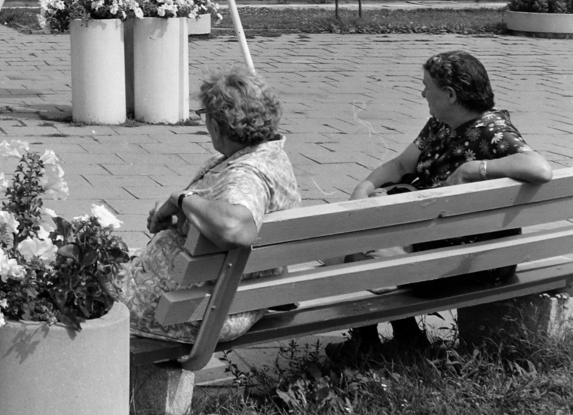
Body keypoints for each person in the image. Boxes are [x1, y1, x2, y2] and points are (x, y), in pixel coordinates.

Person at [337, 50, 552, 354]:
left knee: (345, 258)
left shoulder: (491, 131)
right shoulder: (439, 125)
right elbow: (400, 166)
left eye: (427, 86)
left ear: (450, 95)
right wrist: (364, 187)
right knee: (352, 247)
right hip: (435, 245)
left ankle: (372, 342)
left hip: (469, 260)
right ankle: (400, 335)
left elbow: (540, 168)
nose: (422, 92)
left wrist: (472, 169)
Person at [122, 67, 299, 343]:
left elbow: (235, 227)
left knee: (74, 274)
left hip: (193, 310)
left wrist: (182, 199)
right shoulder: (271, 155)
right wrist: (184, 221)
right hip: (229, 294)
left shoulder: (248, 173)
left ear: (217, 125)